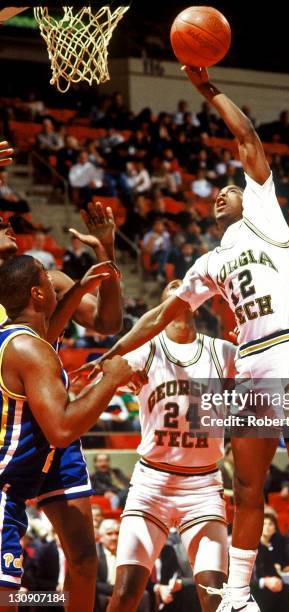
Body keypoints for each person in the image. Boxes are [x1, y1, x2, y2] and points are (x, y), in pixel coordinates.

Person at [76, 67, 289, 612]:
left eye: (231, 189)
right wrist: (114, 351)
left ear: (252, 197)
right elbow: (156, 315)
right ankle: (238, 596)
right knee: (245, 491)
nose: (222, 194)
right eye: (217, 192)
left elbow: (247, 139)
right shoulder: (210, 262)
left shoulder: (268, 218)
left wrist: (208, 90)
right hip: (252, 366)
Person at [0, 168, 124, 612]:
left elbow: (109, 324)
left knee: (86, 557)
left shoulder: (46, 279)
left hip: (50, 413)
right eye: (0, 223)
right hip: (18, 425)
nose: (9, 224)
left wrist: (108, 254)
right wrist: (111, 377)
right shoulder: (19, 304)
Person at [107, 279, 236, 612]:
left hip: (203, 486)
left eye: (185, 296)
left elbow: (267, 384)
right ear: (160, 311)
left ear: (194, 305)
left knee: (215, 595)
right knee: (125, 593)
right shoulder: (145, 350)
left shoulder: (222, 351)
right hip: (153, 483)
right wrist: (117, 377)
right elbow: (102, 375)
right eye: (171, 297)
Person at [251, 515, 289, 612]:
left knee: (288, 589)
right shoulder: (253, 546)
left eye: (270, 524)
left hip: (272, 581)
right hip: (256, 585)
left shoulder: (278, 544)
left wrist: (278, 579)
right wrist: (264, 582)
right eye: (264, 524)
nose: (267, 527)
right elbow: (253, 574)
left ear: (275, 528)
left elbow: (284, 562)